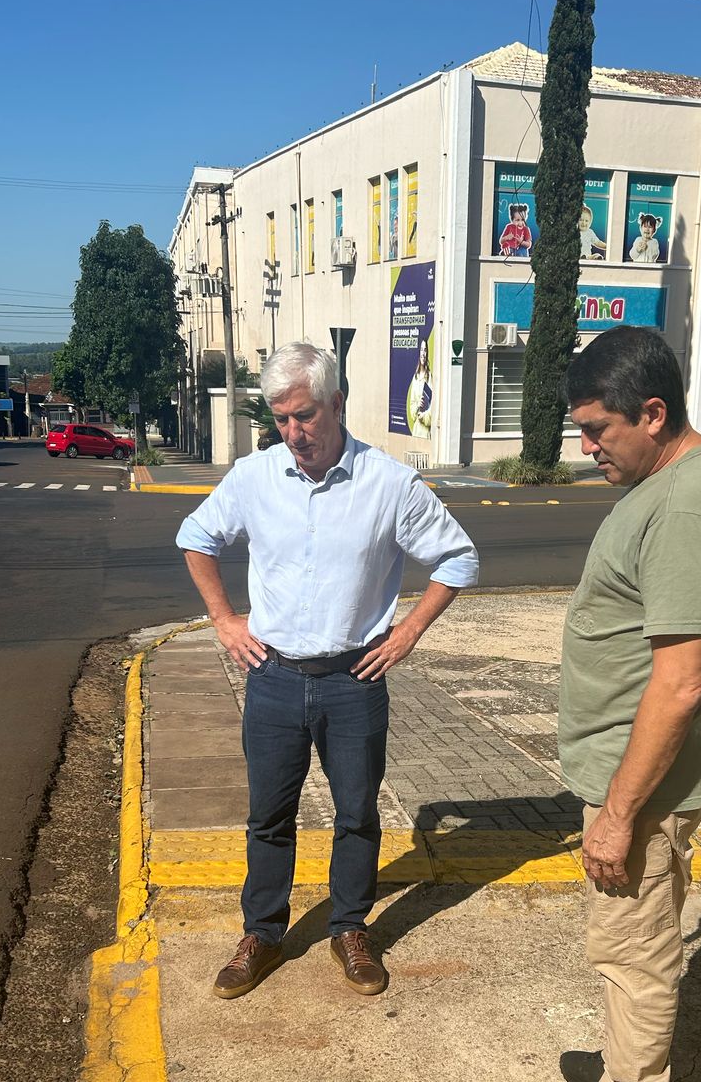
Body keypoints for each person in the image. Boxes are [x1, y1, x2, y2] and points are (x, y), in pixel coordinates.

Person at [519, 327, 701, 1082]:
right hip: (638, 769)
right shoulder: (679, 481)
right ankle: (631, 1066)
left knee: (634, 947)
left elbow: (682, 682)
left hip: (645, 782)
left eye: (598, 431)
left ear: (653, 414)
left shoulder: (689, 504)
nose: (586, 450)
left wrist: (619, 813)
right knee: (635, 941)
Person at [176, 341, 479, 1001]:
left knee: (356, 813)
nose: (293, 432)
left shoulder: (389, 484)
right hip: (275, 679)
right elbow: (196, 539)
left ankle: (349, 929)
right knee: (269, 816)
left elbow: (457, 560)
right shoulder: (254, 478)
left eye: (305, 415)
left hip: (354, 682)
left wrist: (407, 632)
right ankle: (262, 933)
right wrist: (225, 620)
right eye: (281, 419)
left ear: (337, 404)